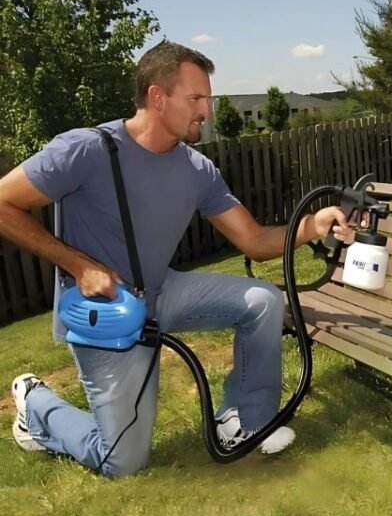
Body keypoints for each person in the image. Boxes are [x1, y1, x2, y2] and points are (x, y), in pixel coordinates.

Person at [0, 41, 354, 478]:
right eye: (196, 98)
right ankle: (37, 406)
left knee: (262, 300)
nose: (206, 108)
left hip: (161, 293)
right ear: (156, 97)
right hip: (106, 317)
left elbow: (256, 240)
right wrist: (78, 264)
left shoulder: (197, 169)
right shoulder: (85, 150)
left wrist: (314, 226)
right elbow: (4, 203)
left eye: (206, 96)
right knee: (123, 461)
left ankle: (243, 420)